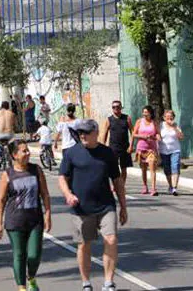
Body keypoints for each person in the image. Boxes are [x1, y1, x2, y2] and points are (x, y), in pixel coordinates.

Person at [58, 120, 127, 291]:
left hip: (106, 206)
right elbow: (62, 177)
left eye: (87, 132)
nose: (83, 135)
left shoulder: (107, 153)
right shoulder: (72, 153)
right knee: (84, 244)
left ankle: (108, 283)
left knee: (111, 239)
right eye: (81, 132)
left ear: (96, 133)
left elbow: (117, 180)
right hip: (81, 208)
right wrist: (68, 194)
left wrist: (123, 206)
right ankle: (86, 283)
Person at [0, 140, 51, 291]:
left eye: (28, 150)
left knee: (34, 255)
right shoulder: (8, 174)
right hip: (14, 222)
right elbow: (1, 201)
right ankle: (22, 287)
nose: (28, 153)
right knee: (19, 254)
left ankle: (31, 277)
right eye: (24, 151)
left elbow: (45, 194)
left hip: (35, 221)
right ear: (14, 155)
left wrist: (48, 215)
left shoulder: (36, 170)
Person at [100, 101, 134, 185]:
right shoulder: (109, 119)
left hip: (125, 147)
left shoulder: (127, 118)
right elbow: (104, 133)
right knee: (113, 168)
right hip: (113, 147)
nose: (116, 108)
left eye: (118, 107)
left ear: (121, 107)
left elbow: (133, 132)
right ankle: (115, 185)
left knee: (124, 168)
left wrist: (131, 146)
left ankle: (122, 185)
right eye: (113, 107)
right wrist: (102, 146)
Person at [132, 105, 161, 196]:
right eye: (143, 112)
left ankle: (153, 188)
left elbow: (158, 134)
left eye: (146, 112)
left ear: (150, 113)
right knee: (143, 169)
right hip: (141, 149)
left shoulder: (154, 123)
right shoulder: (139, 122)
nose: (144, 114)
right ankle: (145, 186)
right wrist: (143, 137)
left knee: (152, 168)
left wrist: (157, 137)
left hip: (151, 149)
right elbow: (134, 134)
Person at [159, 110, 184, 196]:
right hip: (164, 151)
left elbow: (181, 137)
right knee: (167, 169)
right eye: (167, 117)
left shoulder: (176, 125)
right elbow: (157, 135)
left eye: (171, 117)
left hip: (175, 150)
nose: (169, 118)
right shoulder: (161, 125)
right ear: (164, 118)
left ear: (173, 117)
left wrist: (174, 127)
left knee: (175, 167)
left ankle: (174, 188)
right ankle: (170, 185)